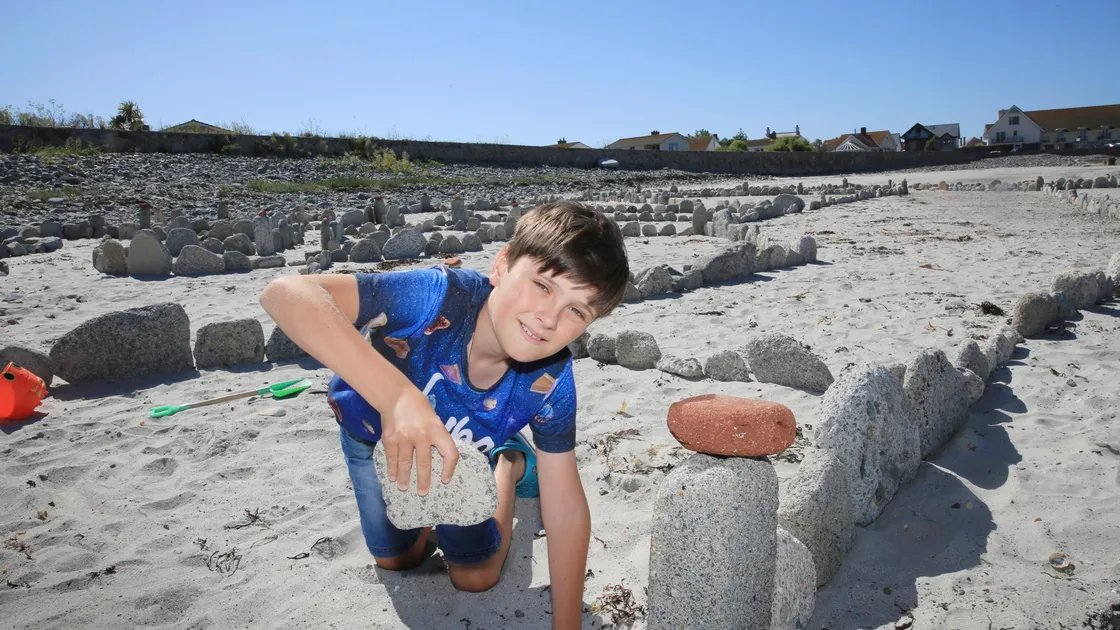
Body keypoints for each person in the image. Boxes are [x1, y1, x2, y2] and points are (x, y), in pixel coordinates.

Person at [259, 201, 629, 629]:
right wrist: (398, 397)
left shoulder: (551, 380)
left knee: (476, 576)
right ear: (502, 266)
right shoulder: (438, 298)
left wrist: (567, 625)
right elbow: (284, 293)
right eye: (543, 286)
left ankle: (506, 463)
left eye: (577, 310)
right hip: (373, 438)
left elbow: (565, 505)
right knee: (398, 558)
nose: (549, 317)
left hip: (465, 454)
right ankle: (470, 481)